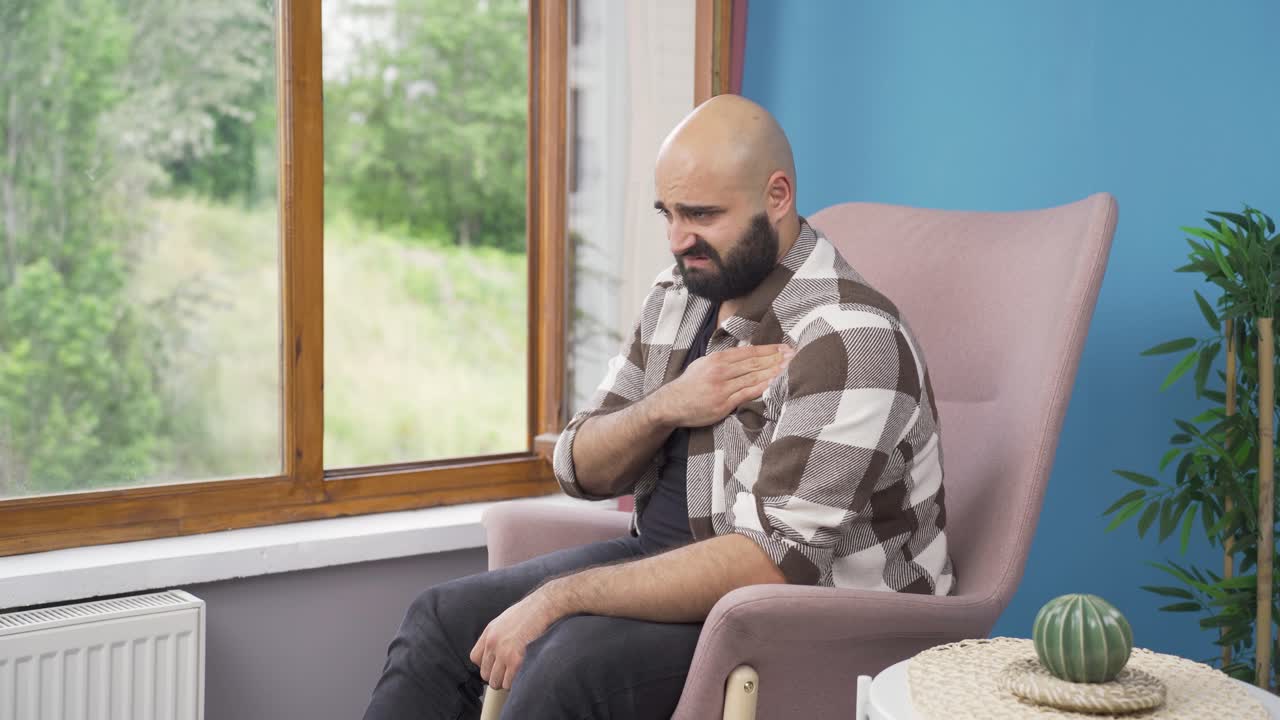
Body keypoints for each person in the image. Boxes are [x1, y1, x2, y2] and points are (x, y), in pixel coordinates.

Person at [361, 94, 953, 720]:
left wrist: (560, 598)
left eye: (700, 214)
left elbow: (773, 562)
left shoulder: (849, 337)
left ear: (777, 197)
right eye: (666, 213)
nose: (677, 239)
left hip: (797, 617)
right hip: (661, 563)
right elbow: (578, 467)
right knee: (439, 622)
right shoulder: (682, 294)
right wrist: (667, 405)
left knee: (565, 665)